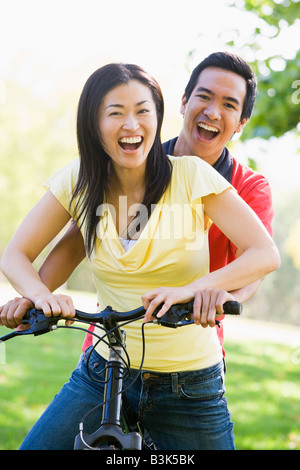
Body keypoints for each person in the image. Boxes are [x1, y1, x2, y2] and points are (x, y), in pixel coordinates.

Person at [0, 63, 280, 450]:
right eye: (115, 113)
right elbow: (18, 254)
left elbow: (264, 254)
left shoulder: (193, 175)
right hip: (105, 368)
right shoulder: (81, 181)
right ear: (93, 124)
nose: (131, 123)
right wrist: (38, 295)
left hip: (189, 381)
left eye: (143, 111)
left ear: (159, 116)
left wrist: (197, 290)